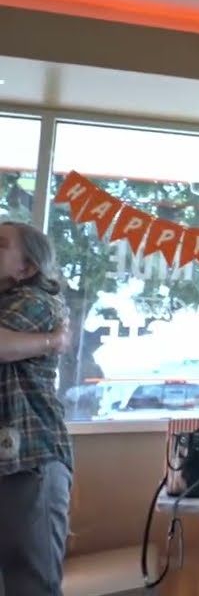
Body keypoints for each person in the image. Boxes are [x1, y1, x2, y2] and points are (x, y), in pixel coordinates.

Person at [0, 221, 72, 596]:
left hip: (30, 460)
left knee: (31, 584)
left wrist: (47, 341)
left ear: (26, 268)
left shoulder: (36, 301)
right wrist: (49, 342)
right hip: (11, 460)